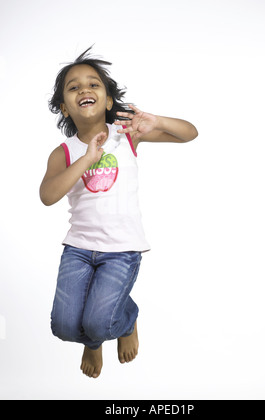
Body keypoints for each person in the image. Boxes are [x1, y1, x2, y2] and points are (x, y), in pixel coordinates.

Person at [40, 47, 198, 379]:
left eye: (93, 84)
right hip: (79, 250)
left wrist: (157, 121)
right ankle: (93, 342)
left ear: (109, 101)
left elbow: (189, 134)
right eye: (73, 87)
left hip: (122, 251)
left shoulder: (125, 136)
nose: (84, 89)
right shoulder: (64, 152)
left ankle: (126, 320)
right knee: (65, 327)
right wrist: (86, 159)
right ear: (64, 108)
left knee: (99, 322)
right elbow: (47, 196)